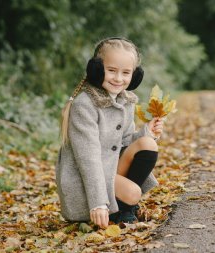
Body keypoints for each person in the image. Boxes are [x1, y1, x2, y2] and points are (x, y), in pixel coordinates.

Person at [55, 37, 163, 229]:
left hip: (110, 168)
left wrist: (148, 131)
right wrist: (98, 203)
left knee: (148, 144)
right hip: (86, 180)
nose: (118, 78)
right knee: (133, 192)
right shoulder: (84, 105)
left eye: (126, 73)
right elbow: (88, 161)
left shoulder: (125, 101)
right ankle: (119, 207)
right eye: (111, 70)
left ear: (135, 76)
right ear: (96, 69)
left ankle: (122, 208)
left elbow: (126, 143)